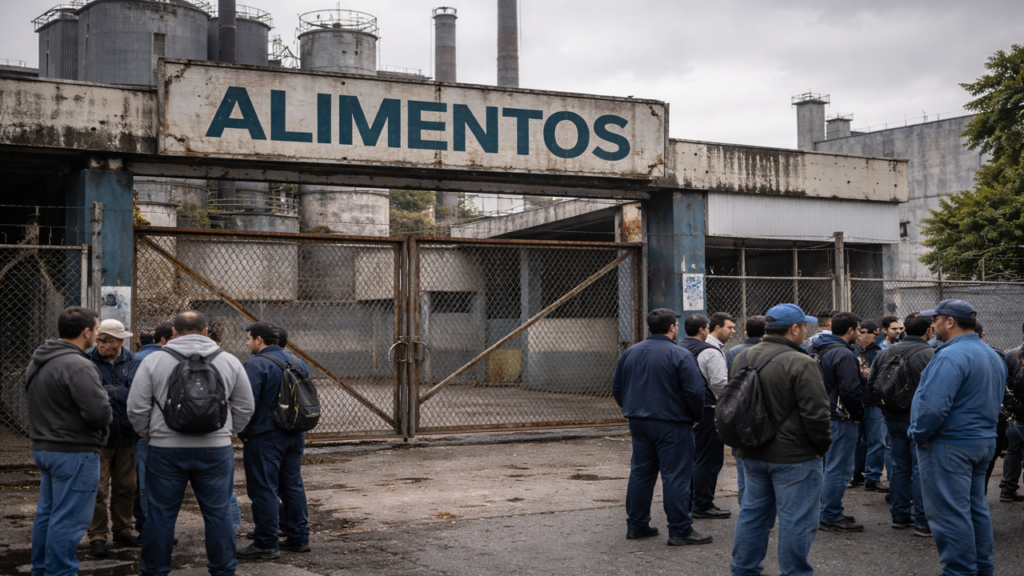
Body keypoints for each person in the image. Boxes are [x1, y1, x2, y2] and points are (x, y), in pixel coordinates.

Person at [128, 310, 255, 576]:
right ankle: (223, 571)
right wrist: (227, 433)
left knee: (161, 514)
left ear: (173, 333)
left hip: (165, 450)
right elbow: (245, 406)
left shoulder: (154, 360)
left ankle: (154, 571)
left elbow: (137, 408)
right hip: (216, 450)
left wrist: (151, 436)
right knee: (218, 513)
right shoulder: (229, 361)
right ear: (207, 332)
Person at [730, 303, 832, 576]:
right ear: (794, 328)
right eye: (804, 326)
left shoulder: (744, 356)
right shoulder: (801, 362)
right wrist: (821, 447)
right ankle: (795, 572)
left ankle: (743, 569)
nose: (806, 330)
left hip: (752, 449)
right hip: (795, 456)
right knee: (796, 520)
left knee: (752, 514)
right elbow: (817, 414)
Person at [911, 300, 1004, 576]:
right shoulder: (990, 354)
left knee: (949, 514)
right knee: (975, 509)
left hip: (950, 445)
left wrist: (920, 435)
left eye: (936, 319)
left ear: (950, 322)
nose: (933, 325)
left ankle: (960, 571)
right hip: (982, 442)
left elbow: (933, 406)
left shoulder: (950, 356)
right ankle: (982, 568)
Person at [26, 307, 112, 576]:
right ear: (86, 332)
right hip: (74, 452)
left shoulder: (39, 360)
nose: (97, 334)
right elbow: (99, 413)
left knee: (49, 514)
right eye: (96, 330)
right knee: (71, 518)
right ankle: (60, 572)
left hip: (45, 447)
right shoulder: (79, 365)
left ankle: (42, 569)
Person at [612, 308, 710, 546]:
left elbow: (617, 387)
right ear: (672, 328)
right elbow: (694, 392)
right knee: (676, 476)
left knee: (641, 473)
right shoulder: (680, 355)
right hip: (672, 424)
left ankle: (637, 525)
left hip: (639, 422)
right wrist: (695, 416)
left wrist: (632, 408)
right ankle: (680, 530)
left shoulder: (630, 353)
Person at [238, 322, 313, 559]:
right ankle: (298, 537)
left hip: (264, 436)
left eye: (249, 338)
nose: (248, 342)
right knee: (292, 485)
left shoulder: (255, 364)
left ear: (259, 340)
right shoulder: (297, 361)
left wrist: (244, 432)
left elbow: (245, 403)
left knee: (264, 488)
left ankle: (266, 542)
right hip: (294, 433)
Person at [868, 312, 934, 538]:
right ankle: (923, 521)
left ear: (904, 329)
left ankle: (899, 515)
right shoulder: (931, 354)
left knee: (899, 466)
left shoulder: (884, 353)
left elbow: (872, 384)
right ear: (929, 330)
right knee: (920, 469)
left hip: (892, 418)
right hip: (919, 419)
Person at [87, 319, 139, 557]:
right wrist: (120, 392)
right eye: (100, 340)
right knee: (97, 489)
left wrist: (109, 391)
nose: (102, 345)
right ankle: (97, 535)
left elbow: (138, 394)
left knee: (126, 487)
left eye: (108, 341)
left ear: (120, 341)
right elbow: (89, 396)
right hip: (99, 438)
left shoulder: (134, 362)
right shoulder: (87, 362)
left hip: (128, 435)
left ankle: (123, 530)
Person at [816, 311, 866, 532]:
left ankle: (829, 508)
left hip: (826, 414)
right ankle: (830, 514)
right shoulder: (844, 354)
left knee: (829, 467)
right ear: (850, 330)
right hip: (841, 417)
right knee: (840, 468)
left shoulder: (821, 348)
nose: (859, 333)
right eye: (858, 329)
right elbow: (850, 389)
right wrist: (856, 414)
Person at [678, 313, 731, 519]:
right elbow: (719, 383)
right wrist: (726, 403)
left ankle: (691, 500)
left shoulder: (679, 348)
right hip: (708, 410)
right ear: (703, 329)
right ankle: (702, 503)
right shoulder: (710, 351)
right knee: (709, 459)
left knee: (694, 458)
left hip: (687, 412)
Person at [126, 320, 173, 540]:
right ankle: (150, 529)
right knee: (148, 484)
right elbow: (136, 401)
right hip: (158, 433)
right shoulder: (149, 360)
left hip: (152, 432)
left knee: (146, 483)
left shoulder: (141, 358)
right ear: (163, 340)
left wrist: (144, 430)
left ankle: (148, 527)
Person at [724, 315, 765, 506]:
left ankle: (746, 509)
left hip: (738, 417)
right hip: (763, 419)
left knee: (742, 470)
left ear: (746, 331)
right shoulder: (770, 353)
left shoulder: (733, 352)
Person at [851, 320, 887, 489]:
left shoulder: (879, 352)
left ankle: (872, 478)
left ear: (876, 333)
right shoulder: (851, 349)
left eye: (869, 332)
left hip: (873, 402)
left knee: (877, 441)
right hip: (855, 401)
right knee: (856, 441)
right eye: (862, 331)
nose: (865, 335)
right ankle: (856, 474)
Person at [1001, 323, 1024, 503]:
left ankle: (1007, 489)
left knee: (1014, 451)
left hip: (1015, 414)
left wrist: (1011, 407)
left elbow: (1005, 384)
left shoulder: (1011, 355)